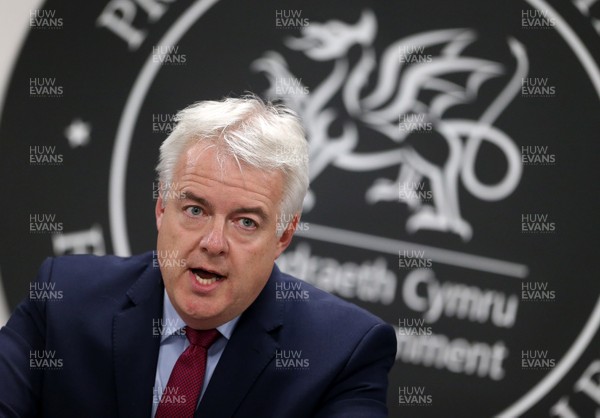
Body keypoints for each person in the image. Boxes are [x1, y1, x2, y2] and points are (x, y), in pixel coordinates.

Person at [0, 95, 397, 417]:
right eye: (195, 210)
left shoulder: (343, 352)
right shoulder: (63, 298)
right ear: (160, 209)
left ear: (283, 235)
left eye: (245, 222)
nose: (213, 242)